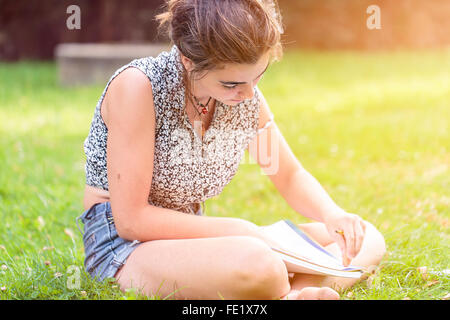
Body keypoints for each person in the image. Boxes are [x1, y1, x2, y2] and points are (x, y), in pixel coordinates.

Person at [76, 0, 386, 300]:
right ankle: (288, 285)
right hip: (126, 246)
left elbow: (289, 176)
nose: (249, 93)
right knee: (259, 263)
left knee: (364, 237)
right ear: (188, 60)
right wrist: (243, 231)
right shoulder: (138, 88)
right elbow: (131, 220)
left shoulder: (244, 96)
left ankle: (295, 293)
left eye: (258, 77)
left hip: (199, 237)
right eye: (231, 83)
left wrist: (333, 215)